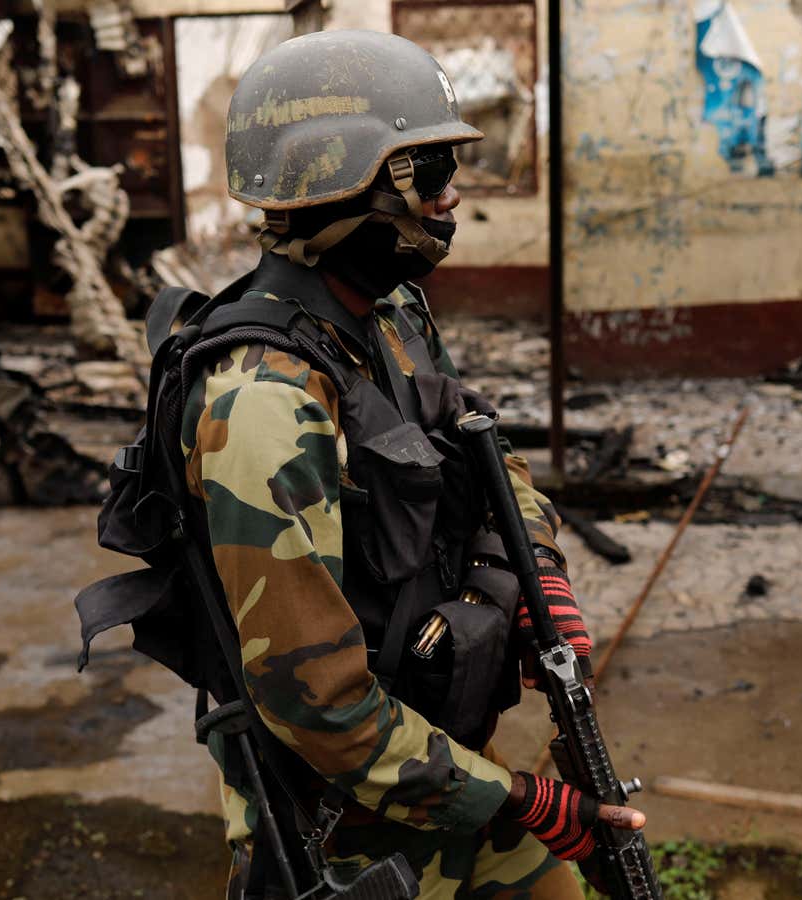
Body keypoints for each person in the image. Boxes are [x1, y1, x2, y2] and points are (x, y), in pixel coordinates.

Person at [101, 29, 646, 899]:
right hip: (343, 834)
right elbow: (321, 705)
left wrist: (540, 572)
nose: (451, 196)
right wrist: (521, 799)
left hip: (445, 763)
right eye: (428, 174)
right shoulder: (262, 406)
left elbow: (484, 452)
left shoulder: (390, 316)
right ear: (344, 183)